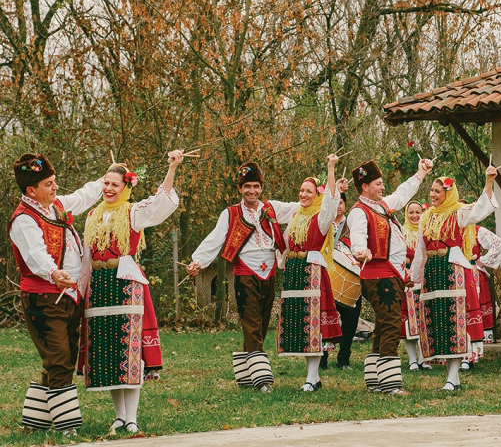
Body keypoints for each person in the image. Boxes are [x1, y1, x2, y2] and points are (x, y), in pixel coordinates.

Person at [81, 152, 184, 435]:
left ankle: (132, 417)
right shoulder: (92, 215)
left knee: (129, 349)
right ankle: (118, 416)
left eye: (115, 184)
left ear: (125, 187)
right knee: (107, 351)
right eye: (106, 183)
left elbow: (161, 203)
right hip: (99, 287)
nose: (109, 189)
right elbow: (86, 259)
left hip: (125, 284)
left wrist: (172, 168)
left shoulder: (133, 212)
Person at [10, 153, 103, 436]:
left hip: (69, 296)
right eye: (49, 183)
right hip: (44, 299)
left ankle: (35, 421)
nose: (56, 187)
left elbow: (83, 196)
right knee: (60, 357)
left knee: (61, 357)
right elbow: (35, 253)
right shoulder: (23, 219)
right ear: (31, 190)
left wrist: (108, 178)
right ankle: (67, 426)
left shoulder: (55, 207)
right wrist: (53, 273)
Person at [186, 163, 300, 392]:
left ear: (261, 188)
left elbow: (302, 206)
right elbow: (215, 239)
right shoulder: (230, 213)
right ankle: (262, 380)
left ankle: (246, 374)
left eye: (256, 186)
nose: (252, 191)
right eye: (247, 186)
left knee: (263, 322)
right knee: (251, 322)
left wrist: (328, 189)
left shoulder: (272, 208)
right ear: (240, 188)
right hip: (245, 270)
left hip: (269, 272)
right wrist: (198, 261)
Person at [348, 157, 433, 395]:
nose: (382, 187)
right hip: (378, 276)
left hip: (391, 275)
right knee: (392, 325)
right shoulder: (359, 212)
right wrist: (360, 250)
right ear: (365, 187)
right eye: (378, 184)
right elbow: (358, 237)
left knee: (382, 326)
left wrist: (421, 174)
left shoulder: (382, 205)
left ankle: (375, 379)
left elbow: (402, 193)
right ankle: (391, 383)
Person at [409, 169, 498, 390]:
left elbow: (480, 210)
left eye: (437, 191)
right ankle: (453, 378)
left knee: (454, 322)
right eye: (431, 190)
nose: (433, 194)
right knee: (438, 321)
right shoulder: (426, 217)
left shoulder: (458, 212)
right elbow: (421, 249)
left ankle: (452, 376)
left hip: (454, 271)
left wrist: (488, 182)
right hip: (433, 272)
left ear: (447, 193)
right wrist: (415, 277)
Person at [276, 154, 346, 391]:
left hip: (312, 272)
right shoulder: (296, 217)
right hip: (295, 272)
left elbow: (331, 201)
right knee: (301, 325)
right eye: (301, 191)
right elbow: (286, 244)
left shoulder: (322, 217)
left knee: (313, 325)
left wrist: (330, 168)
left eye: (309, 191)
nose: (303, 195)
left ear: (317, 194)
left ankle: (312, 376)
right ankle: (313, 377)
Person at [330, 193, 362, 370]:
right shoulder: (323, 224)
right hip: (328, 278)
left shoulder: (353, 225)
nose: (338, 207)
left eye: (340, 202)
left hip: (351, 279)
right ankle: (322, 358)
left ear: (345, 204)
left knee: (350, 322)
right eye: (334, 203)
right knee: (325, 320)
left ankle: (344, 359)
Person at [401, 200, 428, 370]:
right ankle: (412, 359)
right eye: (411, 212)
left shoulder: (425, 231)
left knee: (422, 319)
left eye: (417, 212)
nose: (414, 216)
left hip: (425, 279)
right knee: (409, 321)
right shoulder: (401, 233)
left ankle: (424, 358)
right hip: (407, 279)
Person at [472, 224, 501, 346]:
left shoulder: (475, 230)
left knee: (476, 302)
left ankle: (480, 338)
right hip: (454, 274)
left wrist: (483, 261)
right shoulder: (449, 230)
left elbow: (498, 244)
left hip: (472, 273)